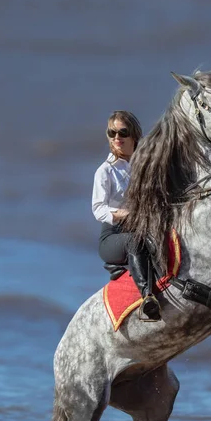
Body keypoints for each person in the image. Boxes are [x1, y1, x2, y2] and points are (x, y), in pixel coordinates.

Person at [91, 110, 161, 321]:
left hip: (143, 227)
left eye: (123, 132)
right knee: (135, 241)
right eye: (112, 133)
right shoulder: (105, 171)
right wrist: (124, 214)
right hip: (114, 236)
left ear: (134, 135)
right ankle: (148, 298)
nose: (117, 138)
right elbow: (98, 209)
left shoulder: (145, 165)